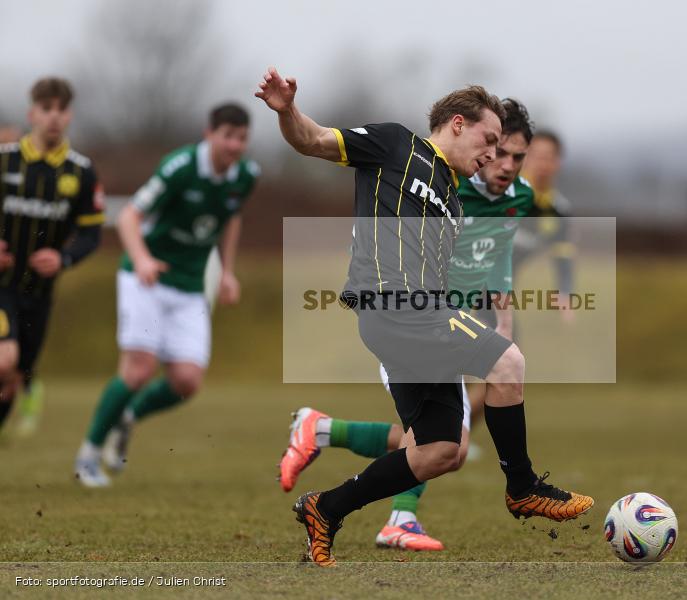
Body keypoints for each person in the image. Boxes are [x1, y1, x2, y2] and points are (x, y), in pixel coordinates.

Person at [257, 67, 593, 567]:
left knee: (440, 451)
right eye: (489, 140)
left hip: (420, 318)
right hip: (397, 309)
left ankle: (326, 509)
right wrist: (287, 112)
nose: (492, 154)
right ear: (457, 123)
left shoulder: (455, 199)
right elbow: (312, 141)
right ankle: (522, 487)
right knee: (509, 363)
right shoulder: (396, 145)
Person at [74, 103, 259, 487]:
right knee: (139, 369)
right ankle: (88, 455)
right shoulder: (179, 168)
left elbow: (231, 218)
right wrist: (142, 259)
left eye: (242, 138)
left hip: (190, 285)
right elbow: (128, 217)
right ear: (209, 134)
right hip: (147, 280)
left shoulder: (245, 176)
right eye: (227, 135)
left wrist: (226, 272)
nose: (234, 144)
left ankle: (127, 418)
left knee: (187, 381)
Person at [0, 78, 104, 438]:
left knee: (14, 377)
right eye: (47, 109)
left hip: (40, 294)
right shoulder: (5, 161)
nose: (54, 117)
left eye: (61, 110)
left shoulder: (81, 172)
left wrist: (63, 259)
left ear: (69, 115)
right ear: (32, 113)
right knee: (4, 361)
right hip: (2, 287)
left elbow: (91, 234)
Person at [514, 130, 576, 322]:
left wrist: (564, 292)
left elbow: (563, 254)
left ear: (558, 163)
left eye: (547, 157)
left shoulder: (559, 209)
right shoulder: (500, 195)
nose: (540, 163)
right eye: (535, 156)